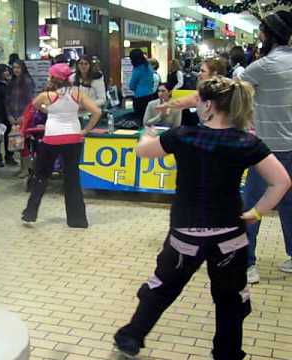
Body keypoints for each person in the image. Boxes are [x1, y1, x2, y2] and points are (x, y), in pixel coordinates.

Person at [114, 76, 291, 360]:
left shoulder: (183, 136)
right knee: (230, 300)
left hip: (185, 234)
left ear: (207, 105)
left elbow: (143, 152)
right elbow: (281, 182)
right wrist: (256, 212)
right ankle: (227, 354)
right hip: (230, 237)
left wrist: (145, 134)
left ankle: (131, 338)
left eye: (199, 101)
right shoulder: (247, 142)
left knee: (162, 288)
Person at [239, 10, 292, 284]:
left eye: (261, 32)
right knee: (290, 205)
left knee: (254, 206)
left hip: (266, 151)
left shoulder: (263, 66)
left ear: (268, 35)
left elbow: (233, 94)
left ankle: (248, 264)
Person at [21, 63, 101, 228]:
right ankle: (77, 220)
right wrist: (85, 130)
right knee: (72, 179)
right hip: (73, 138)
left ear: (52, 77)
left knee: (41, 175)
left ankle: (30, 213)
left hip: (52, 138)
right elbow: (97, 112)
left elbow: (34, 105)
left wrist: (49, 111)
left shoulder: (46, 95)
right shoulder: (77, 93)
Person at [5, 60, 36, 177]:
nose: (16, 70)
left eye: (18, 67)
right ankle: (23, 167)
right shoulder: (11, 82)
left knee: (25, 143)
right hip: (13, 116)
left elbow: (30, 101)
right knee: (18, 143)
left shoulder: (28, 82)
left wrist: (24, 116)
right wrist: (10, 115)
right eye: (14, 68)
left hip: (25, 117)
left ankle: (26, 169)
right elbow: (7, 101)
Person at [0, 64, 16, 167]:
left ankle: (9, 156)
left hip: (9, 114)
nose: (7, 73)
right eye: (5, 71)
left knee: (8, 136)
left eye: (8, 71)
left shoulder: (9, 84)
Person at [129, 49, 155, 126]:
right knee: (148, 119)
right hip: (150, 96)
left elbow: (132, 85)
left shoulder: (137, 69)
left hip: (140, 98)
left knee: (140, 120)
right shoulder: (149, 66)